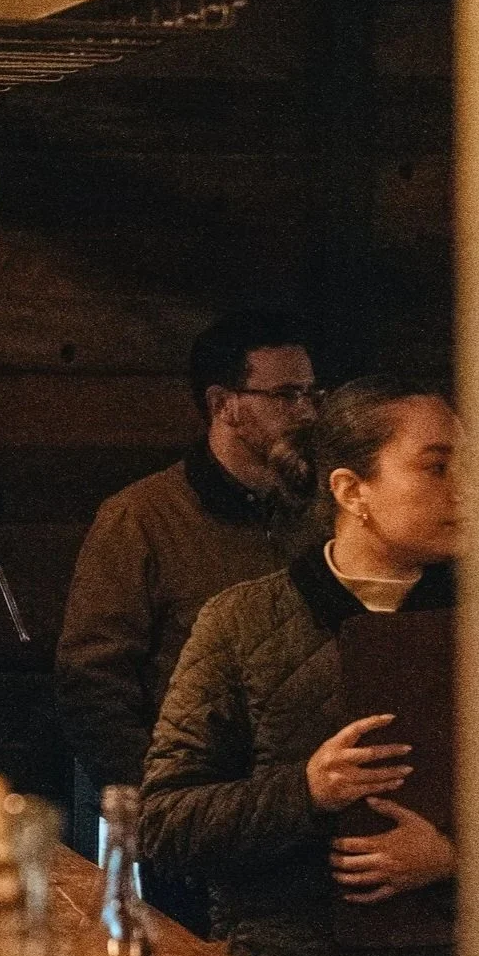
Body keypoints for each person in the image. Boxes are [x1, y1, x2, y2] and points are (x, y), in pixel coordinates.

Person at [139, 379, 461, 956]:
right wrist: (306, 792)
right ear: (353, 490)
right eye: (436, 466)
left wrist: (456, 855)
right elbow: (165, 820)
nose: (465, 488)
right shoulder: (241, 623)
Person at [55, 307, 321, 797]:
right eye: (286, 396)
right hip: (193, 796)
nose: (306, 412)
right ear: (224, 406)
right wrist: (144, 789)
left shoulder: (319, 512)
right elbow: (93, 675)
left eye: (310, 394)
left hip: (301, 794)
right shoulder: (142, 516)